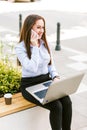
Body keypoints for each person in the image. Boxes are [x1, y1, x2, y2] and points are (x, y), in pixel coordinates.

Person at [15, 14, 72, 130]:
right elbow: (32, 68)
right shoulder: (20, 48)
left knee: (66, 101)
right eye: (38, 27)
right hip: (29, 85)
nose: (41, 31)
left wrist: (55, 76)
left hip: (46, 81)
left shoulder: (45, 43)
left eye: (43, 27)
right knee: (56, 106)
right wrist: (35, 46)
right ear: (29, 28)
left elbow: (51, 64)